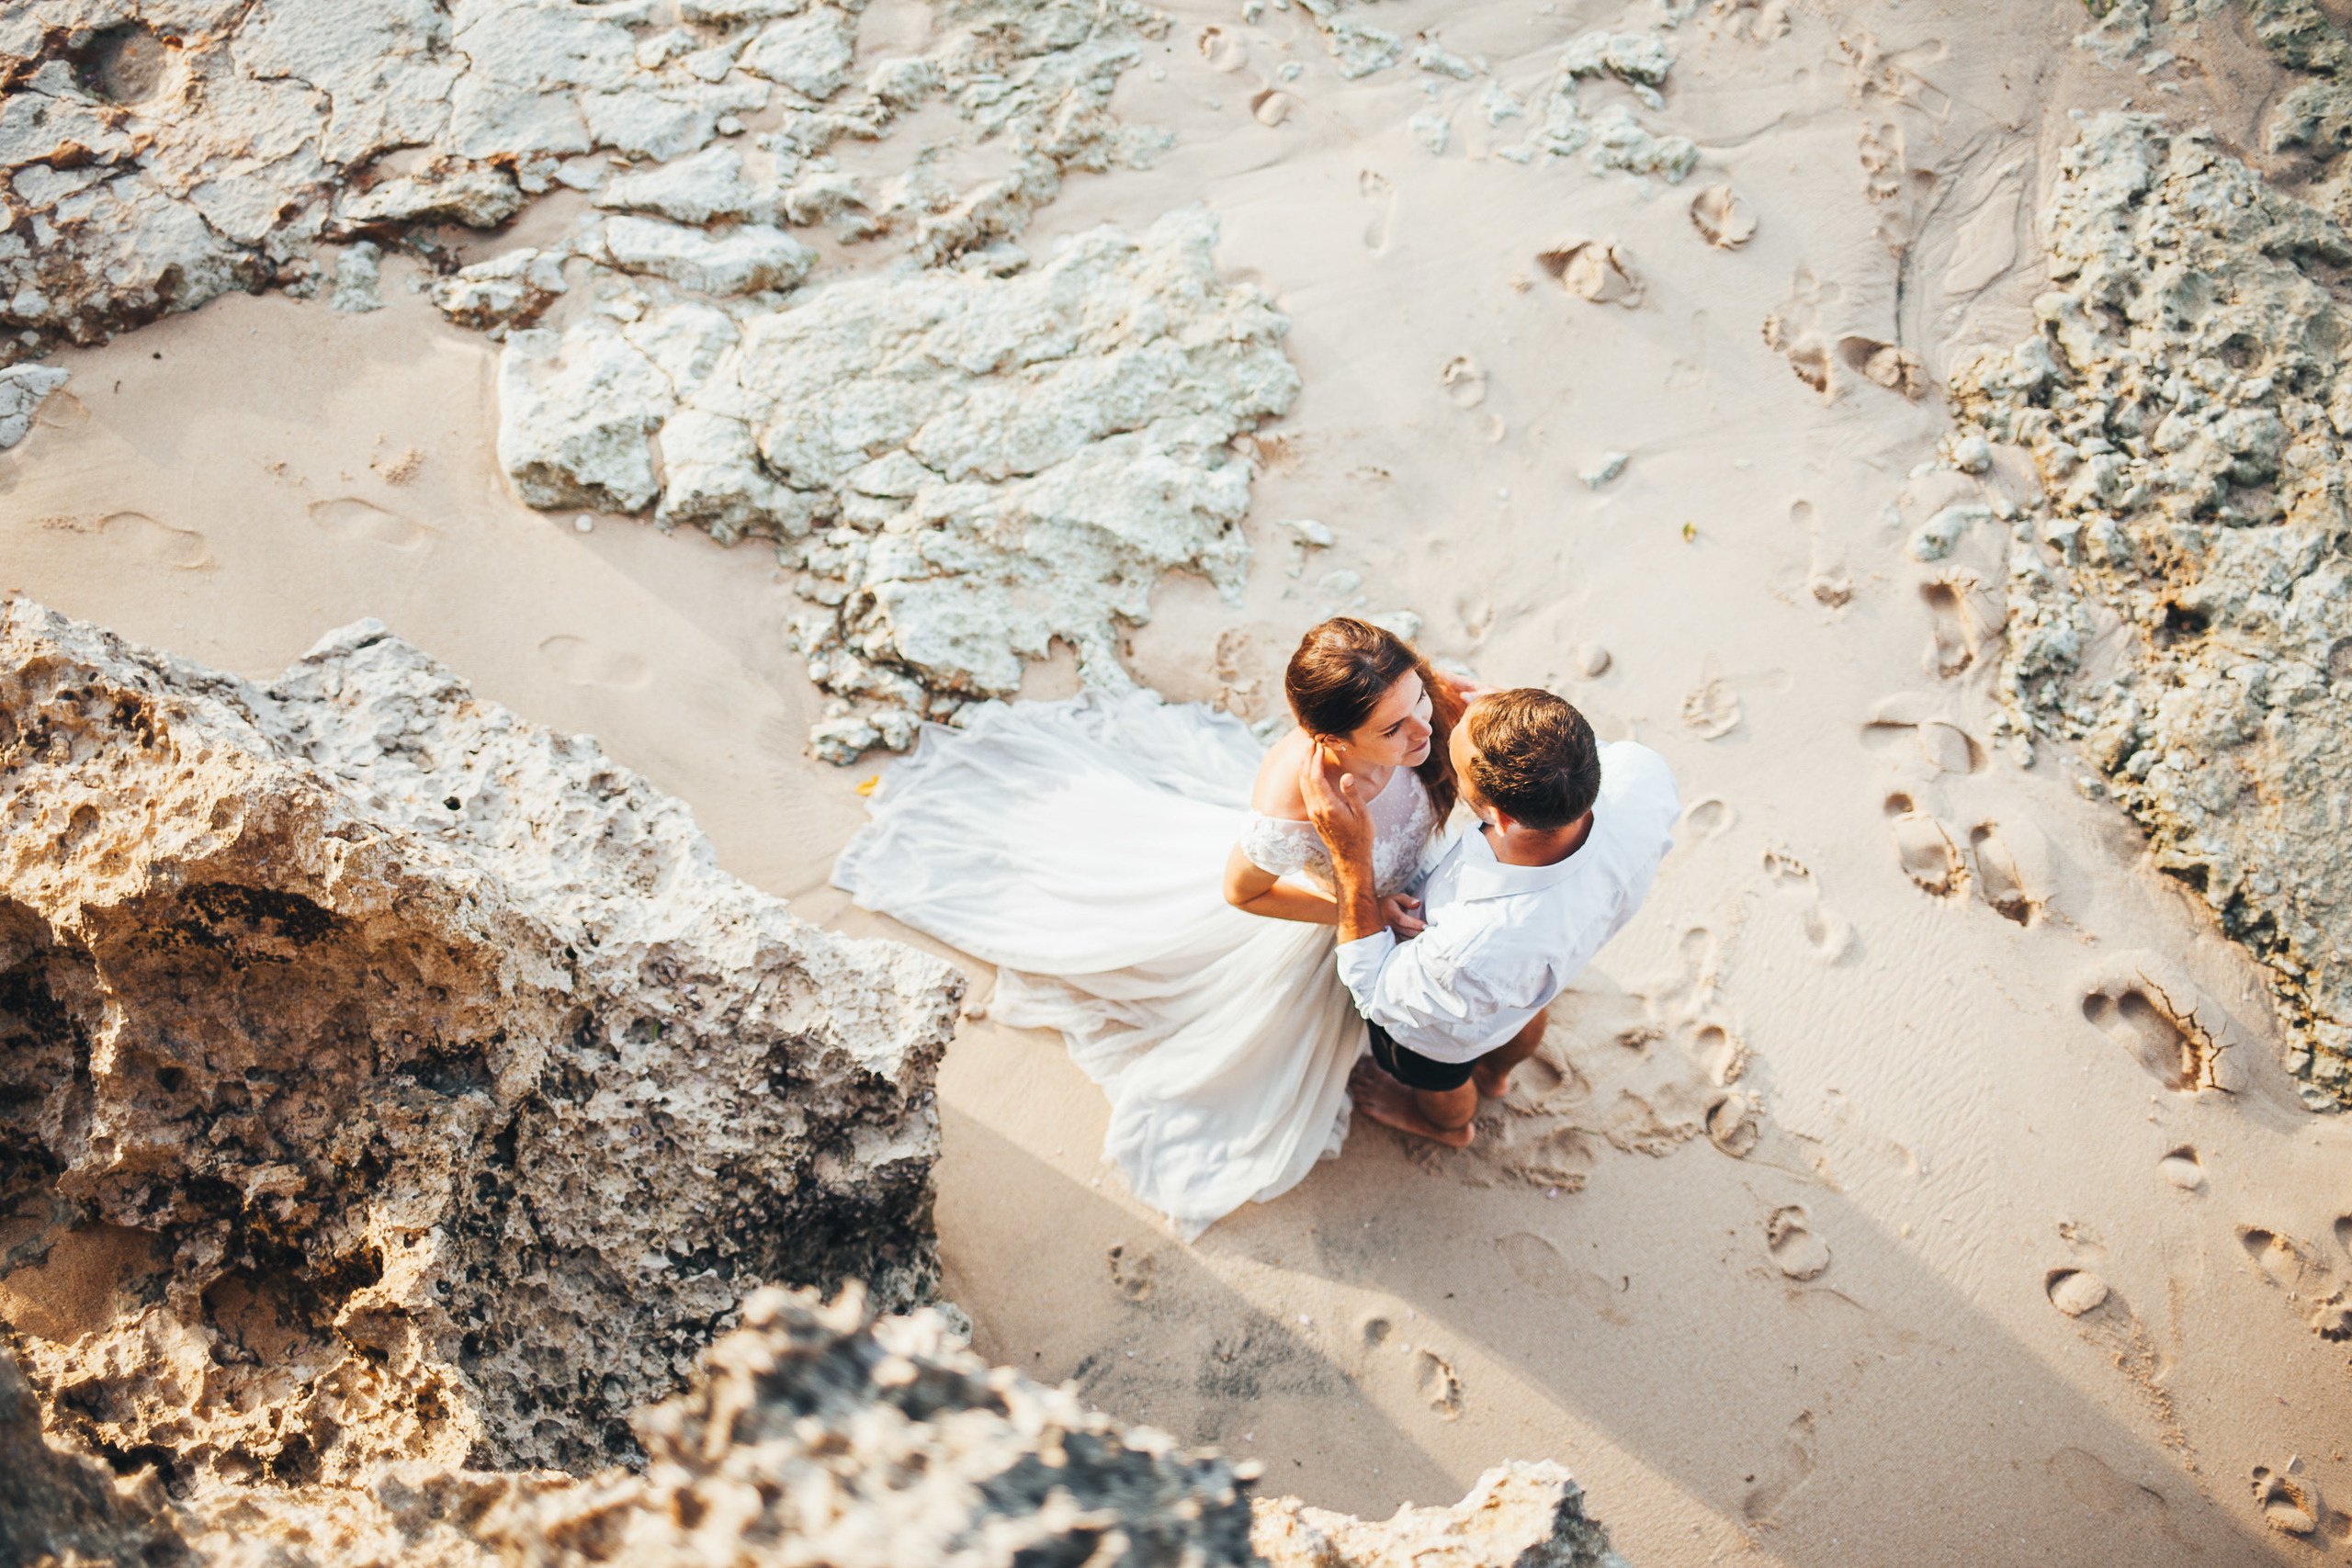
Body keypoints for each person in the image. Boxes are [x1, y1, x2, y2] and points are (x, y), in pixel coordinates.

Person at [831, 617, 1471, 1238]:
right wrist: (1355, 908)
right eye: (1392, 727)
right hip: (1334, 915)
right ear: (1333, 739)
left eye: (1418, 699)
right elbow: (1241, 892)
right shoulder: (1295, 802)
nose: (1421, 731)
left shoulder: (1413, 708)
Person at [1301, 687, 1680, 1148]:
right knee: (1521, 1019)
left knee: (1439, 1077)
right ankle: (1498, 1077)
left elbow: (1376, 989)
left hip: (1445, 1035)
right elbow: (1571, 757)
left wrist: (1351, 858)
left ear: (1501, 818)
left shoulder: (1477, 945)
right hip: (1537, 982)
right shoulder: (1641, 774)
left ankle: (1448, 1127)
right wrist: (1508, 723)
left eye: (1455, 761)